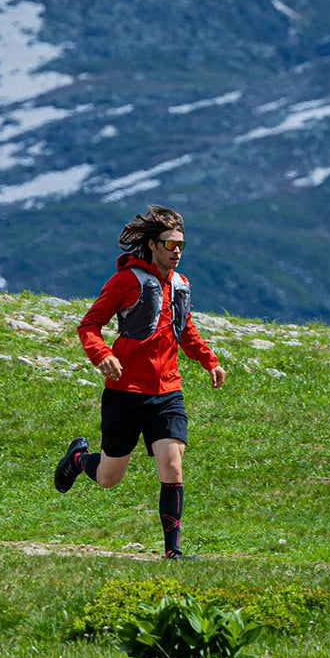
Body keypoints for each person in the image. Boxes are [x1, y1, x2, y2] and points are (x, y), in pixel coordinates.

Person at [53, 205, 225, 558]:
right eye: (169, 245)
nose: (176, 251)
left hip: (167, 392)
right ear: (151, 244)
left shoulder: (181, 285)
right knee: (109, 478)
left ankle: (172, 552)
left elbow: (185, 330)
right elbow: (89, 325)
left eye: (181, 244)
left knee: (173, 464)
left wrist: (210, 361)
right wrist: (103, 355)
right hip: (125, 393)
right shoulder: (125, 281)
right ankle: (79, 459)